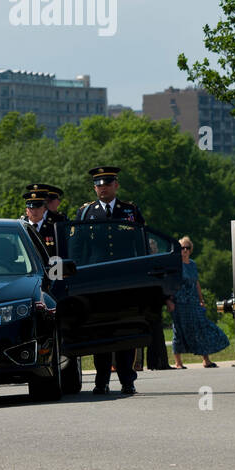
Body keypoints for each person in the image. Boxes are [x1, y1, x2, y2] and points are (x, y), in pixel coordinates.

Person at [76, 166, 149, 393]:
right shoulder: (86, 213)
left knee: (125, 332)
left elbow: (142, 245)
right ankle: (102, 381)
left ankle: (128, 381)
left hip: (125, 283)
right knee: (101, 333)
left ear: (116, 185)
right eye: (98, 184)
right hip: (97, 284)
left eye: (107, 184)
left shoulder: (130, 211)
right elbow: (79, 248)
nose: (102, 188)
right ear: (94, 187)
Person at [170, 237, 229, 368]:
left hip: (193, 302)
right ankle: (178, 362)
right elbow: (170, 283)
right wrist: (169, 301)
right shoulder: (174, 265)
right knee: (178, 331)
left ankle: (206, 359)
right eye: (182, 248)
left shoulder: (192, 264)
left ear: (190, 250)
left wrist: (201, 300)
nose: (184, 250)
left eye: (187, 248)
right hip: (179, 302)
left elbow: (196, 283)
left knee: (202, 328)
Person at [20, 189, 57, 254]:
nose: (35, 211)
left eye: (38, 207)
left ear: (44, 209)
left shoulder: (53, 229)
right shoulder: (20, 227)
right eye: (31, 208)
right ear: (27, 210)